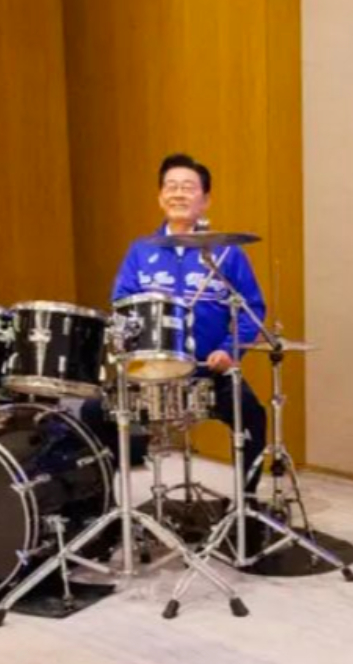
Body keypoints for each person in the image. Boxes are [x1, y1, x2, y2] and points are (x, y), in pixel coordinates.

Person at [81, 153, 268, 495]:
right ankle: (105, 500)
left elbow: (251, 308)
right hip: (149, 373)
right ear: (160, 197)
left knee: (252, 414)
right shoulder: (140, 251)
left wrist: (229, 351)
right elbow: (120, 305)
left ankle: (247, 500)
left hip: (208, 371)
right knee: (93, 412)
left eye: (188, 187)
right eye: (171, 186)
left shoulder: (228, 253)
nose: (178, 193)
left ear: (205, 200)